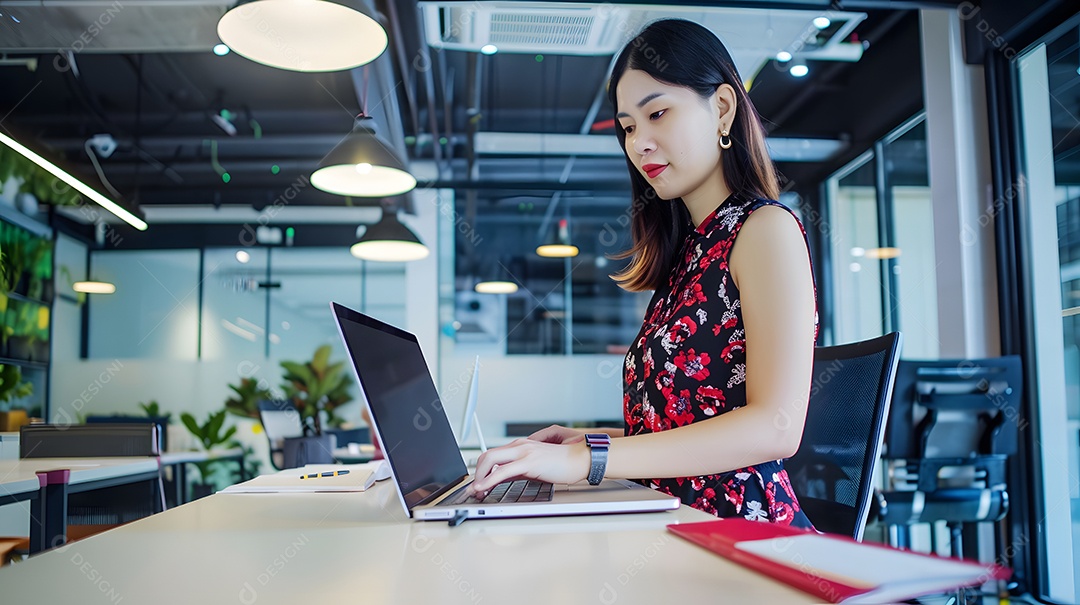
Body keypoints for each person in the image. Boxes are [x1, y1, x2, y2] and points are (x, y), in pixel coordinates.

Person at [469, 19, 818, 528]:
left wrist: (589, 460)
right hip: (671, 523)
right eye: (629, 127)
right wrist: (586, 444)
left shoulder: (765, 229)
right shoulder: (690, 253)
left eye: (657, 114)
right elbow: (684, 425)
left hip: (742, 533)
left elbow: (777, 428)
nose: (639, 143)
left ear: (722, 108)